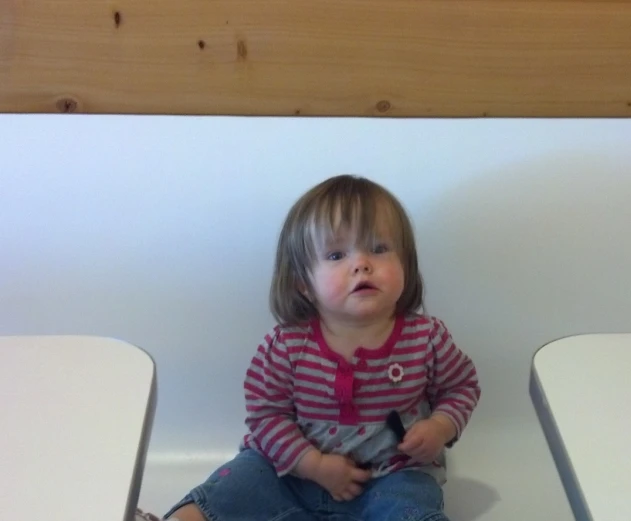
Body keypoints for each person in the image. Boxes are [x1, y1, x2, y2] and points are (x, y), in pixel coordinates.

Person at [163, 174, 481, 521]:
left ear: (405, 263)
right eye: (336, 254)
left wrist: (440, 426)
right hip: (291, 474)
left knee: (411, 503)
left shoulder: (426, 338)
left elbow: (461, 387)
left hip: (393, 475)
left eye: (379, 248)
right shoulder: (285, 345)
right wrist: (313, 465)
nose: (361, 263)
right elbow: (266, 415)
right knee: (239, 482)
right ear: (304, 284)